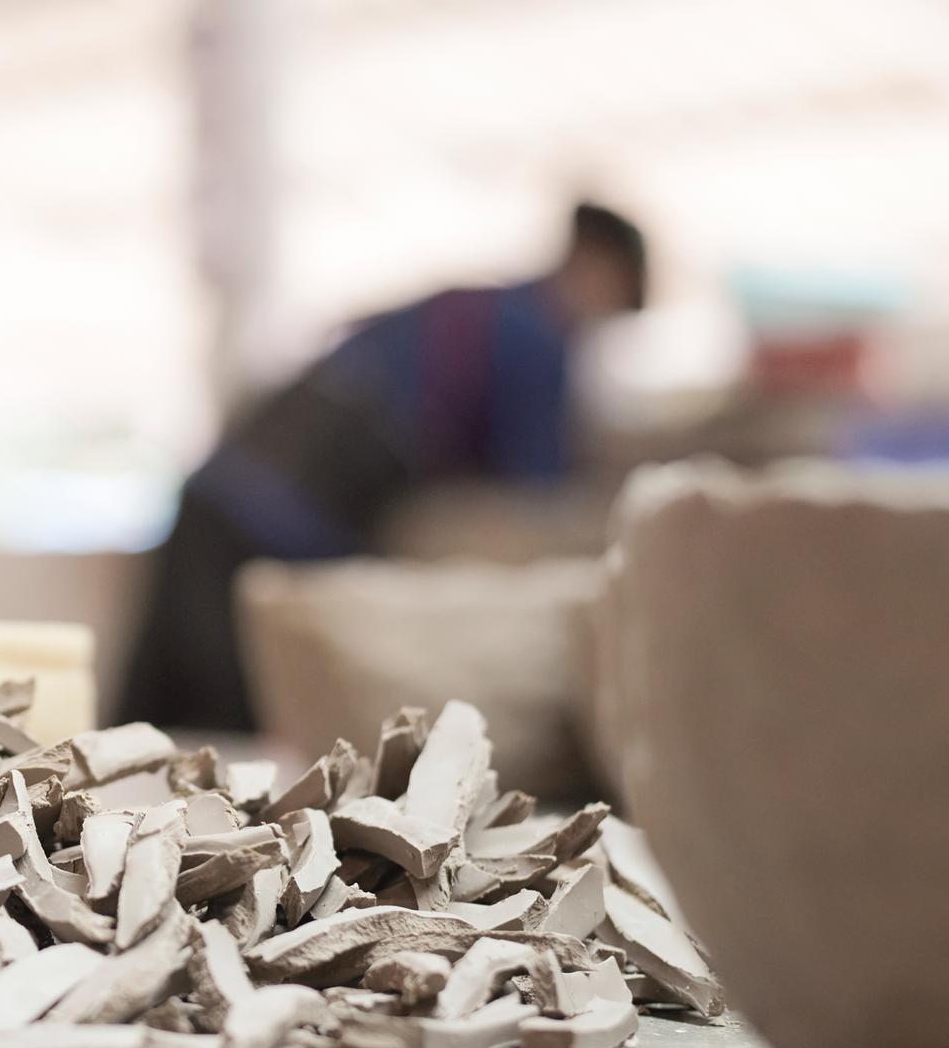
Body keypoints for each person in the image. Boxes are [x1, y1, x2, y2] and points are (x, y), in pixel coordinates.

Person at [118, 201, 648, 731]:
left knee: (141, 725)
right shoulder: (537, 334)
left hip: (218, 488)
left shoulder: (472, 304)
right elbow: (538, 495)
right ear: (597, 265)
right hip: (275, 525)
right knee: (236, 741)